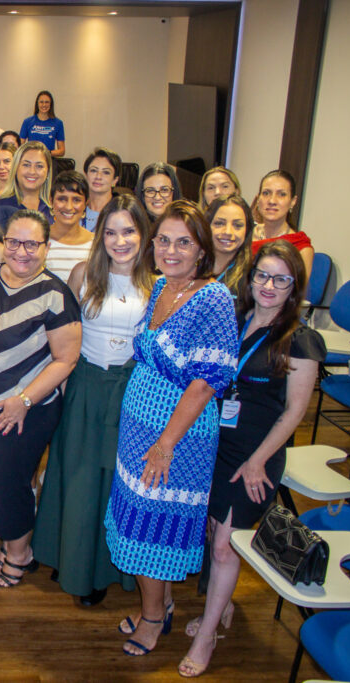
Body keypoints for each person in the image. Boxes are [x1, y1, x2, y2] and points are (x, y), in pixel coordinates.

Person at [179, 240, 324, 677]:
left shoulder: (299, 339)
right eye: (262, 274)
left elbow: (294, 412)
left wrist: (260, 461)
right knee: (212, 531)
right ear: (251, 275)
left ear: (294, 286)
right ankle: (219, 606)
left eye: (281, 279)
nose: (268, 285)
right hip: (215, 445)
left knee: (225, 546)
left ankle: (207, 634)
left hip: (256, 453)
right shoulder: (236, 319)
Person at [104, 200, 238, 657]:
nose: (171, 250)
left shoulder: (214, 298)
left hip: (176, 435)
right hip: (140, 428)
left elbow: (203, 384)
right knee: (139, 520)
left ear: (202, 249)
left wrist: (164, 445)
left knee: (152, 530)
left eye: (184, 242)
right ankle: (158, 604)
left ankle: (154, 617)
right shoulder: (161, 285)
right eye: (164, 240)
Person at [33, 194, 155, 607]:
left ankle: (97, 570)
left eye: (129, 232)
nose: (120, 241)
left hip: (128, 388)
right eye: (111, 232)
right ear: (100, 234)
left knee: (109, 481)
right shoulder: (84, 273)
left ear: (143, 234)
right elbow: (65, 335)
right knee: (75, 472)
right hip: (83, 382)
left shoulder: (156, 284)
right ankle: (63, 553)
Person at [0, 209, 81, 588]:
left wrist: (22, 400)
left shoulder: (56, 295)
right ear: (2, 242)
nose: (21, 251)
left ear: (46, 247)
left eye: (31, 243)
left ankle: (19, 554)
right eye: (13, 242)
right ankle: (9, 547)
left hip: (26, 410)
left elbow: (66, 359)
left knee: (9, 482)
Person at [250, 170, 314, 277]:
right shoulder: (243, 235)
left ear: (293, 201)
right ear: (258, 199)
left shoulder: (301, 248)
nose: (272, 201)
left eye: (281, 194)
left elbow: (298, 292)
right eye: (266, 193)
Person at [45, 171, 94, 283]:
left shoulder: (96, 243)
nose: (69, 207)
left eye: (76, 200)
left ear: (86, 203)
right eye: (62, 199)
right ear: (51, 201)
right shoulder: (39, 240)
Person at [0, 141, 53, 227]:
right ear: (16, 168)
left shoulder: (53, 211)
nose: (32, 171)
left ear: (48, 172)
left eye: (39, 166)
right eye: (26, 165)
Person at [207, 195, 255, 299]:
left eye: (237, 225)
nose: (228, 232)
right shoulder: (190, 268)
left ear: (247, 231)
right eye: (219, 223)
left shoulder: (253, 277)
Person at [82, 147, 123, 232]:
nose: (98, 177)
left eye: (106, 172)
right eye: (93, 170)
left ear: (115, 180)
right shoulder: (75, 209)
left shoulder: (122, 212)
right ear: (86, 175)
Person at [19, 90, 65, 157]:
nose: (44, 105)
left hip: (48, 160)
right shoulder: (27, 122)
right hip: (31, 159)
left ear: (50, 104)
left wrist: (46, 153)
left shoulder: (58, 123)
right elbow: (20, 146)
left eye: (47, 102)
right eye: (41, 102)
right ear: (37, 104)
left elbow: (62, 151)